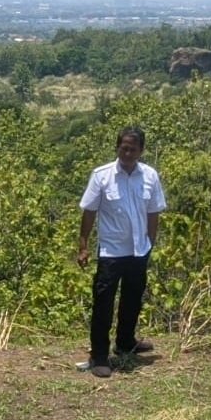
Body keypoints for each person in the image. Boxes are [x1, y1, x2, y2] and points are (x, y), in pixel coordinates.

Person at [77, 126, 168, 378]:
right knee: (103, 302)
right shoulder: (102, 176)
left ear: (141, 150)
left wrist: (150, 242)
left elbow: (154, 211)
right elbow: (89, 211)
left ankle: (126, 342)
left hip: (139, 250)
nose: (127, 153)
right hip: (111, 251)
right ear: (117, 147)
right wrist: (83, 246)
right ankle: (99, 354)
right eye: (123, 148)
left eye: (133, 149)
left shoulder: (149, 175)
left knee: (133, 298)